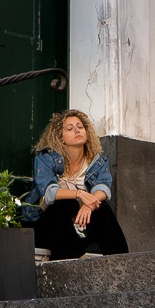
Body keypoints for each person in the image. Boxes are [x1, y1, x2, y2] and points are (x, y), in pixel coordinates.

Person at [30, 109, 129, 261]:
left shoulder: (97, 161)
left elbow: (103, 188)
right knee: (66, 204)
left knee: (102, 209)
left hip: (80, 227)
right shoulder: (46, 158)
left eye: (80, 127)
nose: (77, 131)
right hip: (48, 227)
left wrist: (89, 205)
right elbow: (50, 192)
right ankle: (74, 259)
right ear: (60, 137)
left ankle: (121, 262)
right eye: (69, 129)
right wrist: (80, 194)